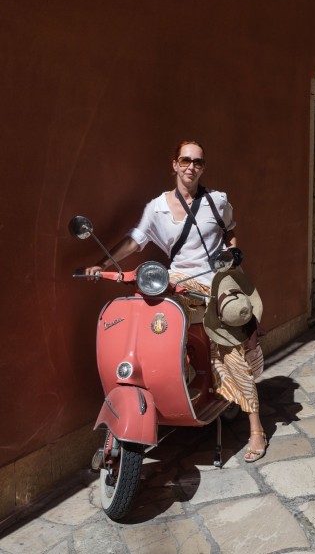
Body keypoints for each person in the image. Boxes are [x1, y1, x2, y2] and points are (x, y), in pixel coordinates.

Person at [85, 141, 266, 462]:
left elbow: (231, 231)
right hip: (175, 282)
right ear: (174, 164)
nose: (191, 167)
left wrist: (232, 254)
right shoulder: (157, 208)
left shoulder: (217, 201)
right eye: (185, 160)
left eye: (197, 162)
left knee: (228, 352)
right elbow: (135, 241)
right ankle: (177, 381)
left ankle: (256, 427)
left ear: (203, 167)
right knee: (153, 326)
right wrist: (102, 263)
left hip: (213, 283)